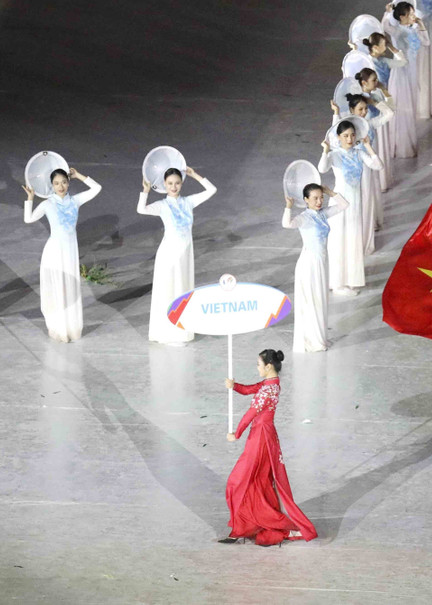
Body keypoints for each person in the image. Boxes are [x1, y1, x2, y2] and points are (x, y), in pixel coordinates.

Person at [221, 349, 318, 546]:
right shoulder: (272, 384)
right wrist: (235, 386)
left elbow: (250, 413)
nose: (257, 367)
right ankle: (244, 526)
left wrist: (236, 434)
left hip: (260, 439)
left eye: (258, 364)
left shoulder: (267, 390)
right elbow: (251, 389)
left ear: (268, 366)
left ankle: (250, 524)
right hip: (263, 437)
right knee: (257, 482)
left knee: (237, 481)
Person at [138, 166, 216, 344]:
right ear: (164, 185)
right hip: (168, 255)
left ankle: (181, 330)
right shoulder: (162, 205)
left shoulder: (188, 202)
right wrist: (145, 191)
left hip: (185, 256)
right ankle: (166, 332)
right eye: (170, 183)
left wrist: (195, 175)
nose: (173, 187)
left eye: (177, 183)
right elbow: (141, 209)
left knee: (182, 291)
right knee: (168, 291)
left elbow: (212, 190)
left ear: (181, 184)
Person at [23, 167, 101, 343]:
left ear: (68, 183)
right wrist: (30, 199)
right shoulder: (48, 204)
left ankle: (71, 326)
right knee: (58, 288)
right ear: (51, 185)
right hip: (54, 252)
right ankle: (58, 327)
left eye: (64, 182)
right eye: (57, 183)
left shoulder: (75, 200)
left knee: (70, 287)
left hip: (70, 252)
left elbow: (97, 188)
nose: (61, 186)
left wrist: (79, 175)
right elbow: (28, 219)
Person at [318, 120, 383, 295]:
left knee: (353, 238)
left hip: (355, 202)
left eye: (352, 135)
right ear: (338, 137)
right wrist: (325, 150)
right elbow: (322, 168)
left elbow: (378, 165)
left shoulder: (359, 153)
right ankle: (337, 283)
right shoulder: (335, 155)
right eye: (345, 135)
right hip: (340, 202)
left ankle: (351, 279)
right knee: (339, 240)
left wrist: (368, 147)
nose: (349, 139)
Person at [282, 185, 349, 352]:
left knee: (320, 300)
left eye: (321, 198)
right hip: (309, 264)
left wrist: (330, 192)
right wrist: (288, 207)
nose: (319, 201)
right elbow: (287, 224)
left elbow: (344, 205)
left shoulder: (323, 214)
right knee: (312, 301)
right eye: (315, 198)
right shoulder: (304, 218)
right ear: (306, 200)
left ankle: (319, 336)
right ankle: (312, 339)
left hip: (322, 262)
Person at [332, 93, 393, 254]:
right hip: (353, 173)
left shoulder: (370, 124)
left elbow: (389, 114)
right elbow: (334, 136)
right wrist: (336, 113)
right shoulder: (348, 126)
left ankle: (365, 240)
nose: (364, 112)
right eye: (360, 109)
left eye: (366, 108)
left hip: (367, 169)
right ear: (352, 110)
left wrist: (376, 103)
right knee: (356, 206)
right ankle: (352, 242)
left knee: (367, 203)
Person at [364, 31, 416, 158]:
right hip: (372, 102)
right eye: (384, 45)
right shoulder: (367, 62)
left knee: (384, 133)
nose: (386, 47)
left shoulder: (384, 61)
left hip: (384, 99)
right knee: (376, 134)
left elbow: (403, 62)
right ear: (375, 48)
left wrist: (392, 47)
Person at [383, 3, 430, 142]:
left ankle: (409, 135)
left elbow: (426, 42)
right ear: (402, 16)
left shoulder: (414, 29)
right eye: (410, 14)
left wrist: (421, 25)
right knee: (403, 103)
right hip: (401, 70)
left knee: (412, 100)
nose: (413, 17)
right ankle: (400, 138)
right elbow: (384, 26)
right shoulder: (397, 31)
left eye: (413, 13)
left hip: (412, 69)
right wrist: (388, 12)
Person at [355, 65, 396, 195]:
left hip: (373, 132)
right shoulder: (357, 99)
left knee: (372, 172)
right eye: (374, 80)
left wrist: (383, 91)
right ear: (364, 83)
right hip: (360, 138)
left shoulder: (376, 95)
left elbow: (391, 108)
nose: (376, 82)